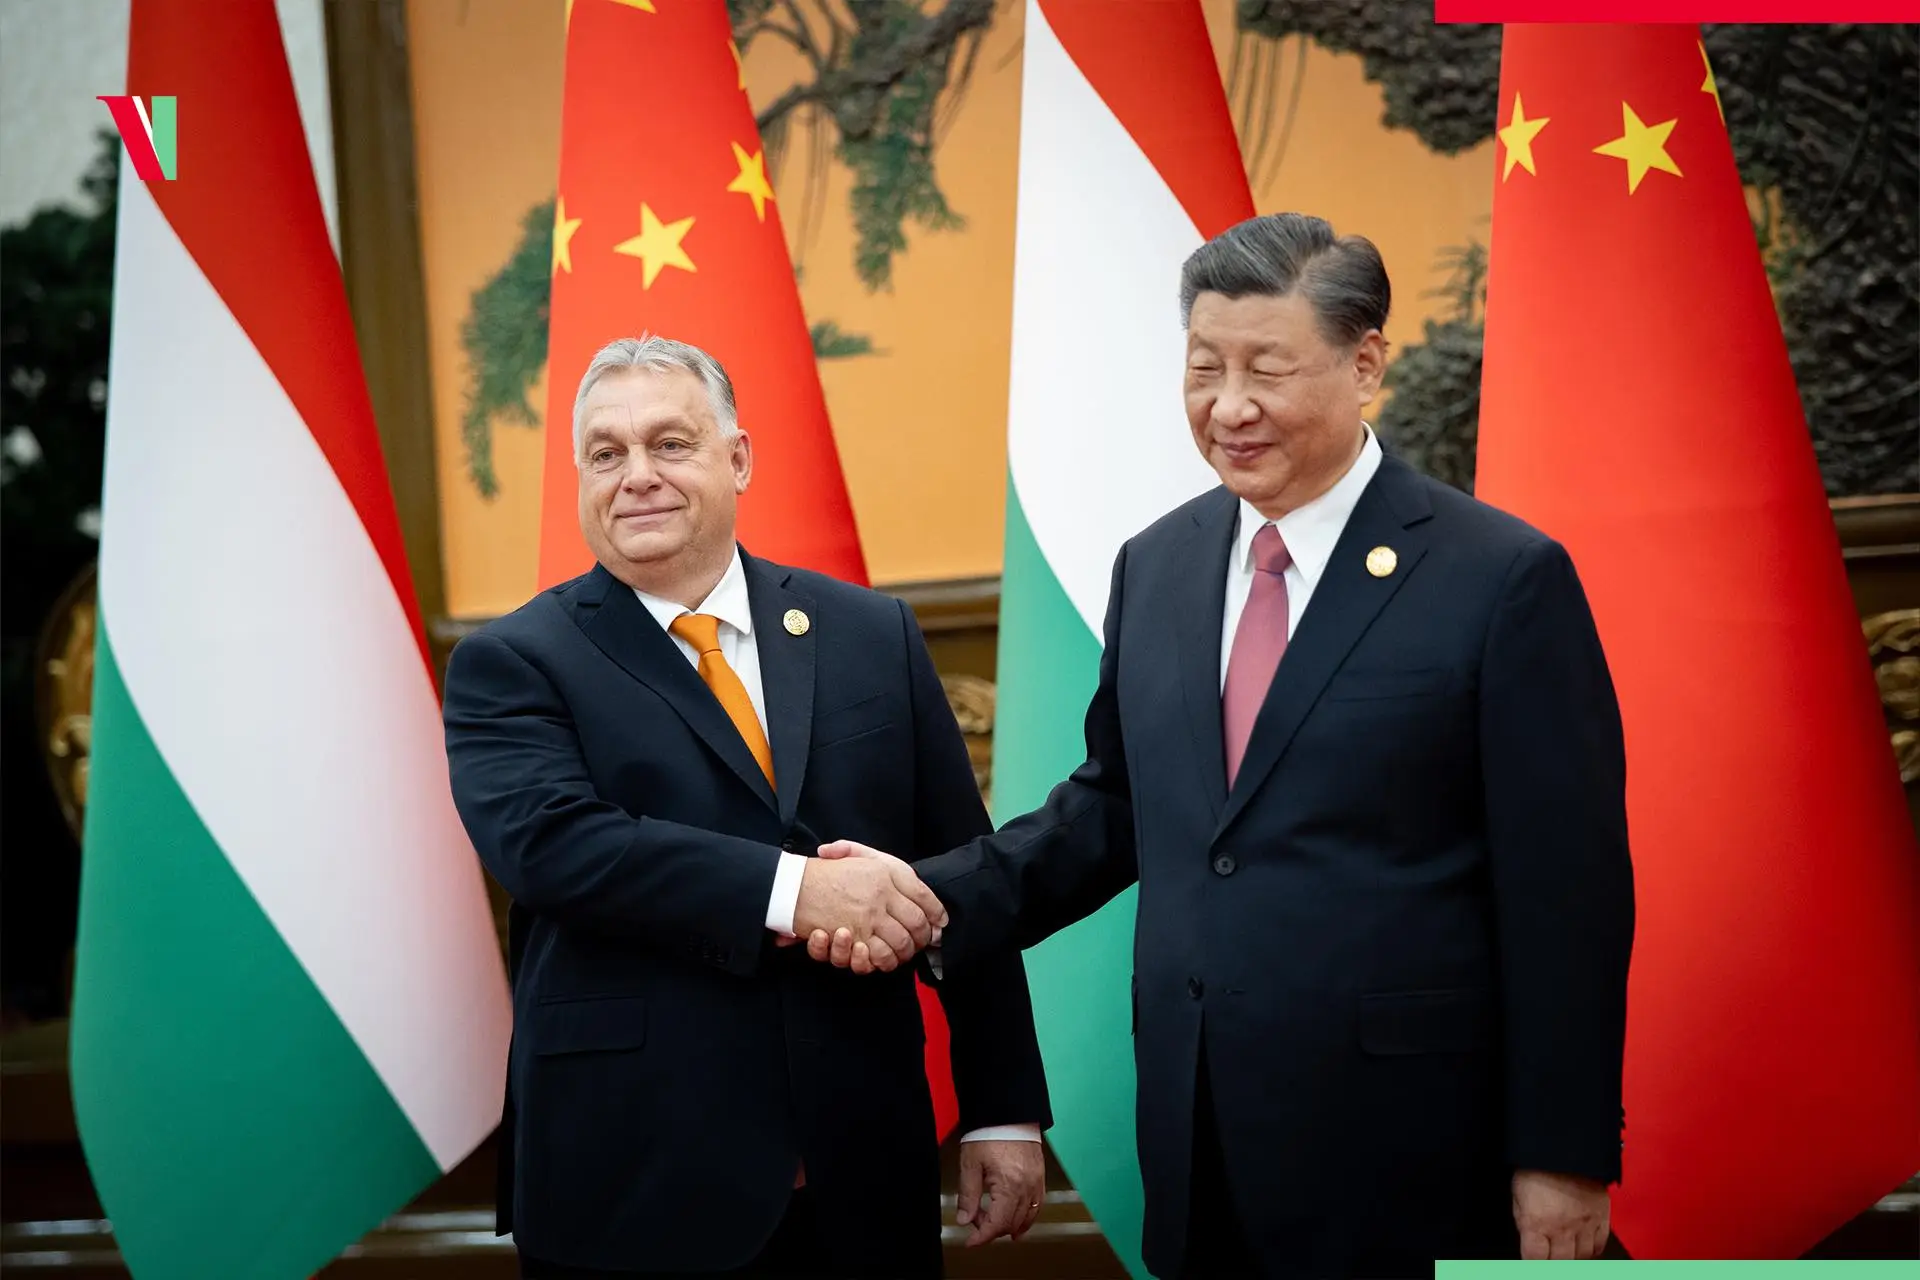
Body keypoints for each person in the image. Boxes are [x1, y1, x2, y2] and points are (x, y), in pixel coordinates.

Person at [811, 213, 1636, 1278]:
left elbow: (1567, 894)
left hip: (1422, 1150)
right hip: (1203, 1144)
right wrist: (925, 898)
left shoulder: (1499, 577)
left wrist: (1562, 1152)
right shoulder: (1159, 565)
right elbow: (1114, 806)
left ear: (1365, 363)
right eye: (1204, 369)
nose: (1229, 405)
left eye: (1267, 370)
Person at [442, 336, 1051, 1279]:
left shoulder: (871, 633)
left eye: (670, 444)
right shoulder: (515, 661)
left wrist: (1002, 1108)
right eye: (606, 454)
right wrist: (795, 892)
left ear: (739, 458)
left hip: (863, 1169)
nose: (637, 476)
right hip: (637, 1179)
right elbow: (554, 847)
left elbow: (958, 867)